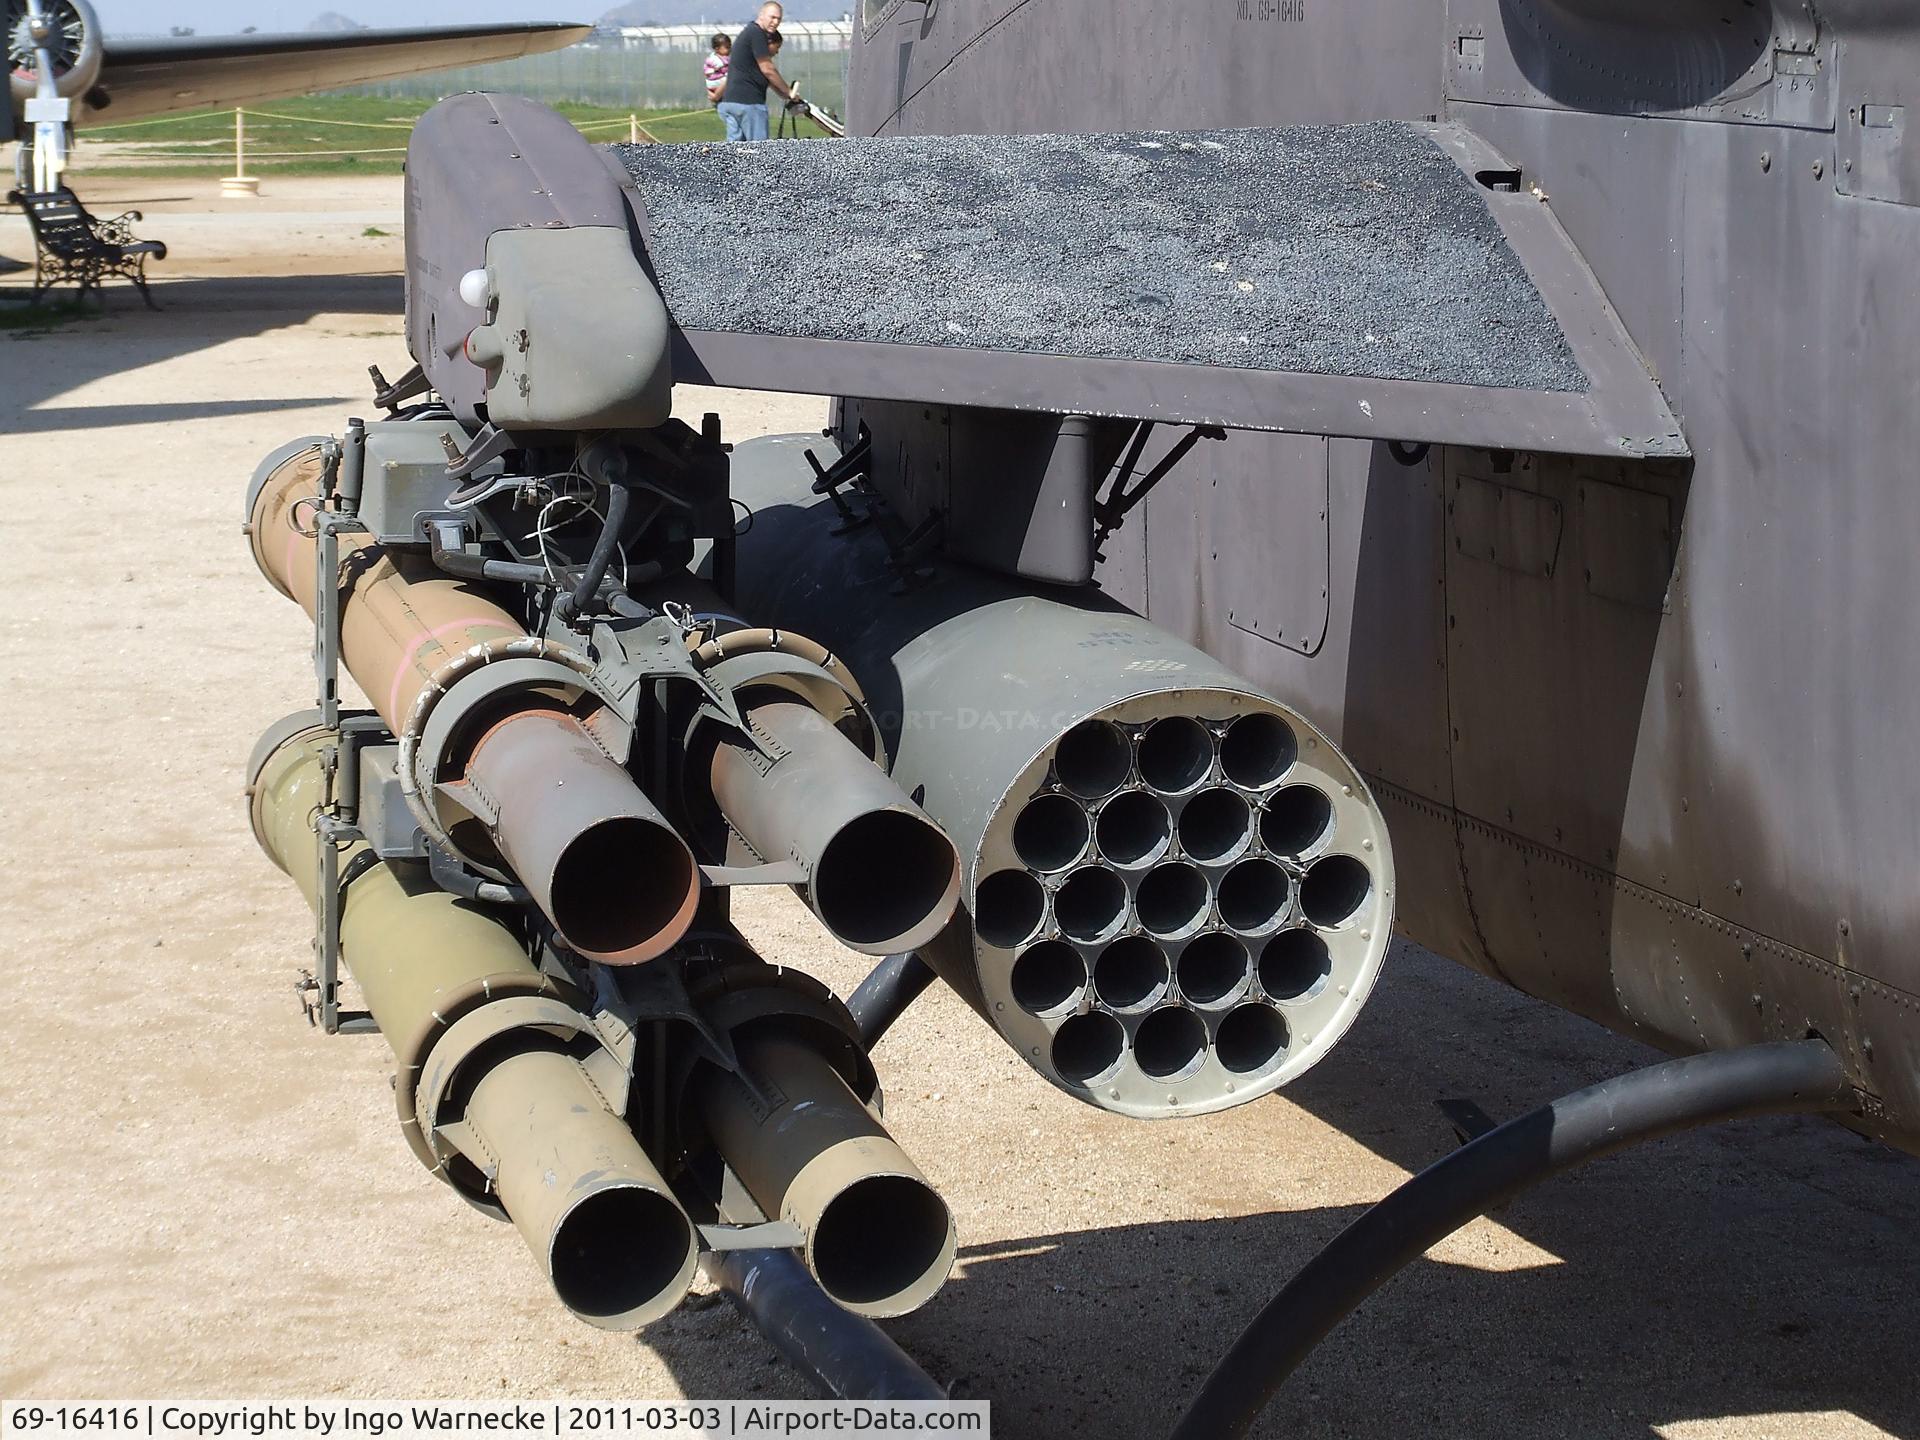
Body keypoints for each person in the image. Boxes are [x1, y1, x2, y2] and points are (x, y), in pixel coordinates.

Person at [717, 2, 798, 143]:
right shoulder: (757, 33)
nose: (775, 22)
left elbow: (763, 76)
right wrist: (789, 91)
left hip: (731, 102)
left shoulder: (748, 33)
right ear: (761, 15)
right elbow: (767, 69)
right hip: (749, 104)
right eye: (772, 17)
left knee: (734, 153)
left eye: (779, 19)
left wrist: (785, 95)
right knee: (759, 152)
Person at [703, 33, 730, 106]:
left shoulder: (724, 58)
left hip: (716, 83)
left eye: (730, 47)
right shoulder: (715, 59)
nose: (729, 49)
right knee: (729, 79)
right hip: (715, 81)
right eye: (727, 47)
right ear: (717, 48)